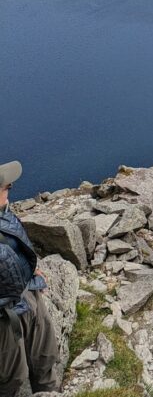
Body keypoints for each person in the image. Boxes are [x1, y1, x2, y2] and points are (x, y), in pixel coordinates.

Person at [0, 161, 60, 397]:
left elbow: (15, 247)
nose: (9, 189)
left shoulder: (5, 215)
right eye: (6, 187)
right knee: (10, 379)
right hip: (5, 317)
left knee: (44, 357)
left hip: (29, 295)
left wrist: (29, 268)